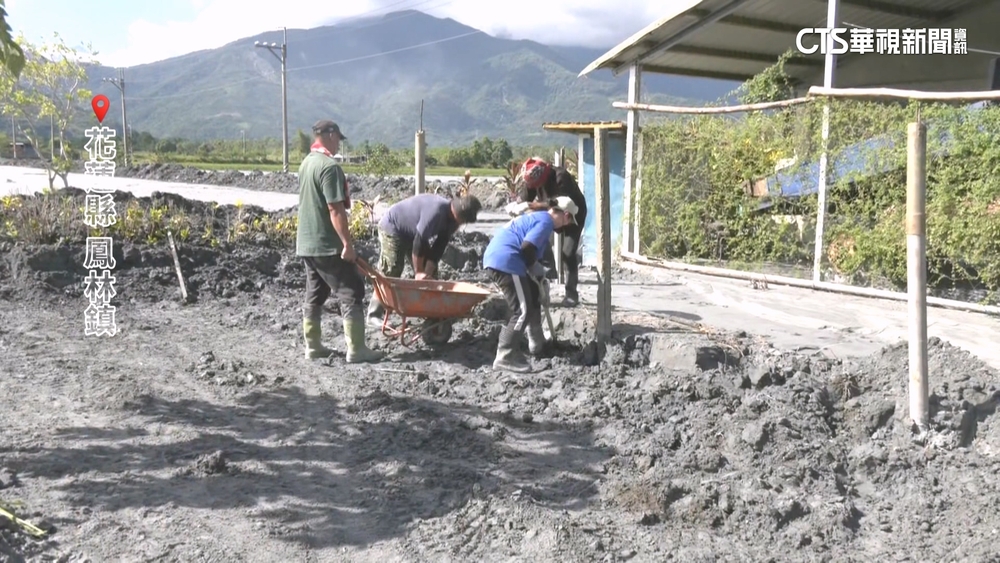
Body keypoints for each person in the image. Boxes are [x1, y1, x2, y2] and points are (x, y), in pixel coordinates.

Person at [296, 119, 383, 363]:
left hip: (306, 242)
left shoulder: (306, 163)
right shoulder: (329, 167)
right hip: (326, 243)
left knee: (315, 292)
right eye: (338, 139)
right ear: (331, 135)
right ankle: (356, 349)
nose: (338, 145)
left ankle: (313, 346)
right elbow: (335, 209)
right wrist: (347, 244)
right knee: (351, 289)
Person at [483, 196, 579, 373]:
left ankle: (537, 342)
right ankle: (505, 356)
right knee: (522, 310)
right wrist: (535, 268)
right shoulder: (545, 223)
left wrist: (538, 280)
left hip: (500, 258)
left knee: (533, 294)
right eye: (568, 221)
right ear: (565, 215)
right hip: (506, 261)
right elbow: (527, 248)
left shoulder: (537, 217)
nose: (566, 226)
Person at [367, 193, 483, 325]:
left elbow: (440, 245)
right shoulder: (436, 211)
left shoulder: (453, 222)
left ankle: (428, 311)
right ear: (459, 214)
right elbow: (419, 241)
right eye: (464, 220)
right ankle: (374, 314)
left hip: (412, 233)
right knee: (392, 269)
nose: (462, 224)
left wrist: (427, 272)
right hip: (393, 227)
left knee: (431, 276)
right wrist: (419, 272)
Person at [510, 157, 588, 306]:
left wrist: (531, 205)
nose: (536, 187)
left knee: (568, 252)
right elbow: (526, 197)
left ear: (544, 175)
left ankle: (571, 294)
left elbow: (559, 204)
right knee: (538, 243)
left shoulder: (561, 177)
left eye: (537, 185)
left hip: (571, 216)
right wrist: (517, 205)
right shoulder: (533, 179)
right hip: (551, 216)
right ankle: (544, 283)